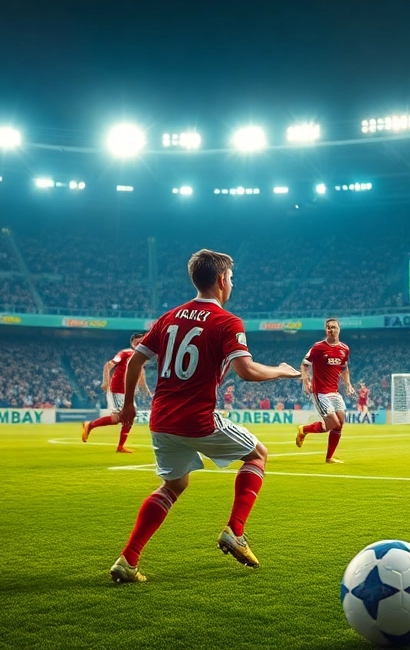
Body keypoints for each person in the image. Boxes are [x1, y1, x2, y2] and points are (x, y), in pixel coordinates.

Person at [110, 249, 301, 583]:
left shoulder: (168, 318)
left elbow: (135, 361)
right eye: (232, 278)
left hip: (161, 420)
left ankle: (128, 560)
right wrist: (281, 372)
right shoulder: (227, 321)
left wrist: (128, 405)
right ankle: (235, 532)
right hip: (196, 418)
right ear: (222, 280)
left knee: (173, 484)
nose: (232, 284)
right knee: (257, 454)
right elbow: (246, 371)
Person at [81, 333, 151, 454]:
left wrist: (145, 387)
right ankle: (90, 425)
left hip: (127, 391)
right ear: (132, 342)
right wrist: (105, 381)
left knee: (129, 416)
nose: (139, 343)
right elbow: (109, 364)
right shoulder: (125, 353)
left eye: (141, 341)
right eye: (137, 341)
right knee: (119, 417)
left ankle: (120, 446)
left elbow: (140, 371)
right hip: (118, 390)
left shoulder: (140, 357)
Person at [295, 318, 353, 464]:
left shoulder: (344, 349)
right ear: (325, 330)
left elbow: (344, 369)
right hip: (320, 392)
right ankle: (305, 429)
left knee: (340, 424)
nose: (331, 330)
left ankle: (329, 457)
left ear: (339, 329)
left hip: (334, 392)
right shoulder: (318, 347)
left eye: (333, 327)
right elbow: (304, 365)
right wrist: (306, 380)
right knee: (333, 423)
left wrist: (348, 384)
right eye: (328, 327)